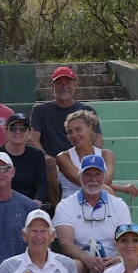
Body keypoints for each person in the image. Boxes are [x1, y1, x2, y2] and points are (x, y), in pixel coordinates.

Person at [54, 155, 132, 273]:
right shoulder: (65, 205)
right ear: (80, 177)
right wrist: (86, 259)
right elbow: (66, 244)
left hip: (111, 258)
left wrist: (118, 259)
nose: (93, 179)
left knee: (125, 262)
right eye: (88, 174)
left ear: (104, 177)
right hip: (81, 258)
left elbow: (126, 239)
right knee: (76, 265)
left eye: (97, 174)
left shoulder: (118, 204)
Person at [30, 65, 103, 206]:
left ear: (75, 83)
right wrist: (44, 155)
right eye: (59, 83)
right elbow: (33, 138)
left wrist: (90, 158)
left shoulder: (87, 110)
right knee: (46, 167)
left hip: (81, 158)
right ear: (52, 86)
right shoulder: (40, 110)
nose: (64, 87)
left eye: (68, 82)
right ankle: (59, 208)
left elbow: (98, 138)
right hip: (54, 162)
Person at [56, 108, 138, 202]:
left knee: (106, 191)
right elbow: (86, 182)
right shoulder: (63, 157)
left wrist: (119, 188)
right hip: (72, 205)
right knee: (107, 191)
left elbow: (106, 181)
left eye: (78, 130)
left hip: (99, 203)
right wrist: (119, 188)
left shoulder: (106, 154)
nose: (74, 135)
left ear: (90, 128)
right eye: (70, 132)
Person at [0, 113, 48, 207]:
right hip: (0, 203)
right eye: (13, 128)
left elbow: (42, 184)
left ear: (30, 132)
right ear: (6, 130)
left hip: (29, 204)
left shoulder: (37, 155)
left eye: (23, 128)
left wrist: (37, 201)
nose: (17, 132)